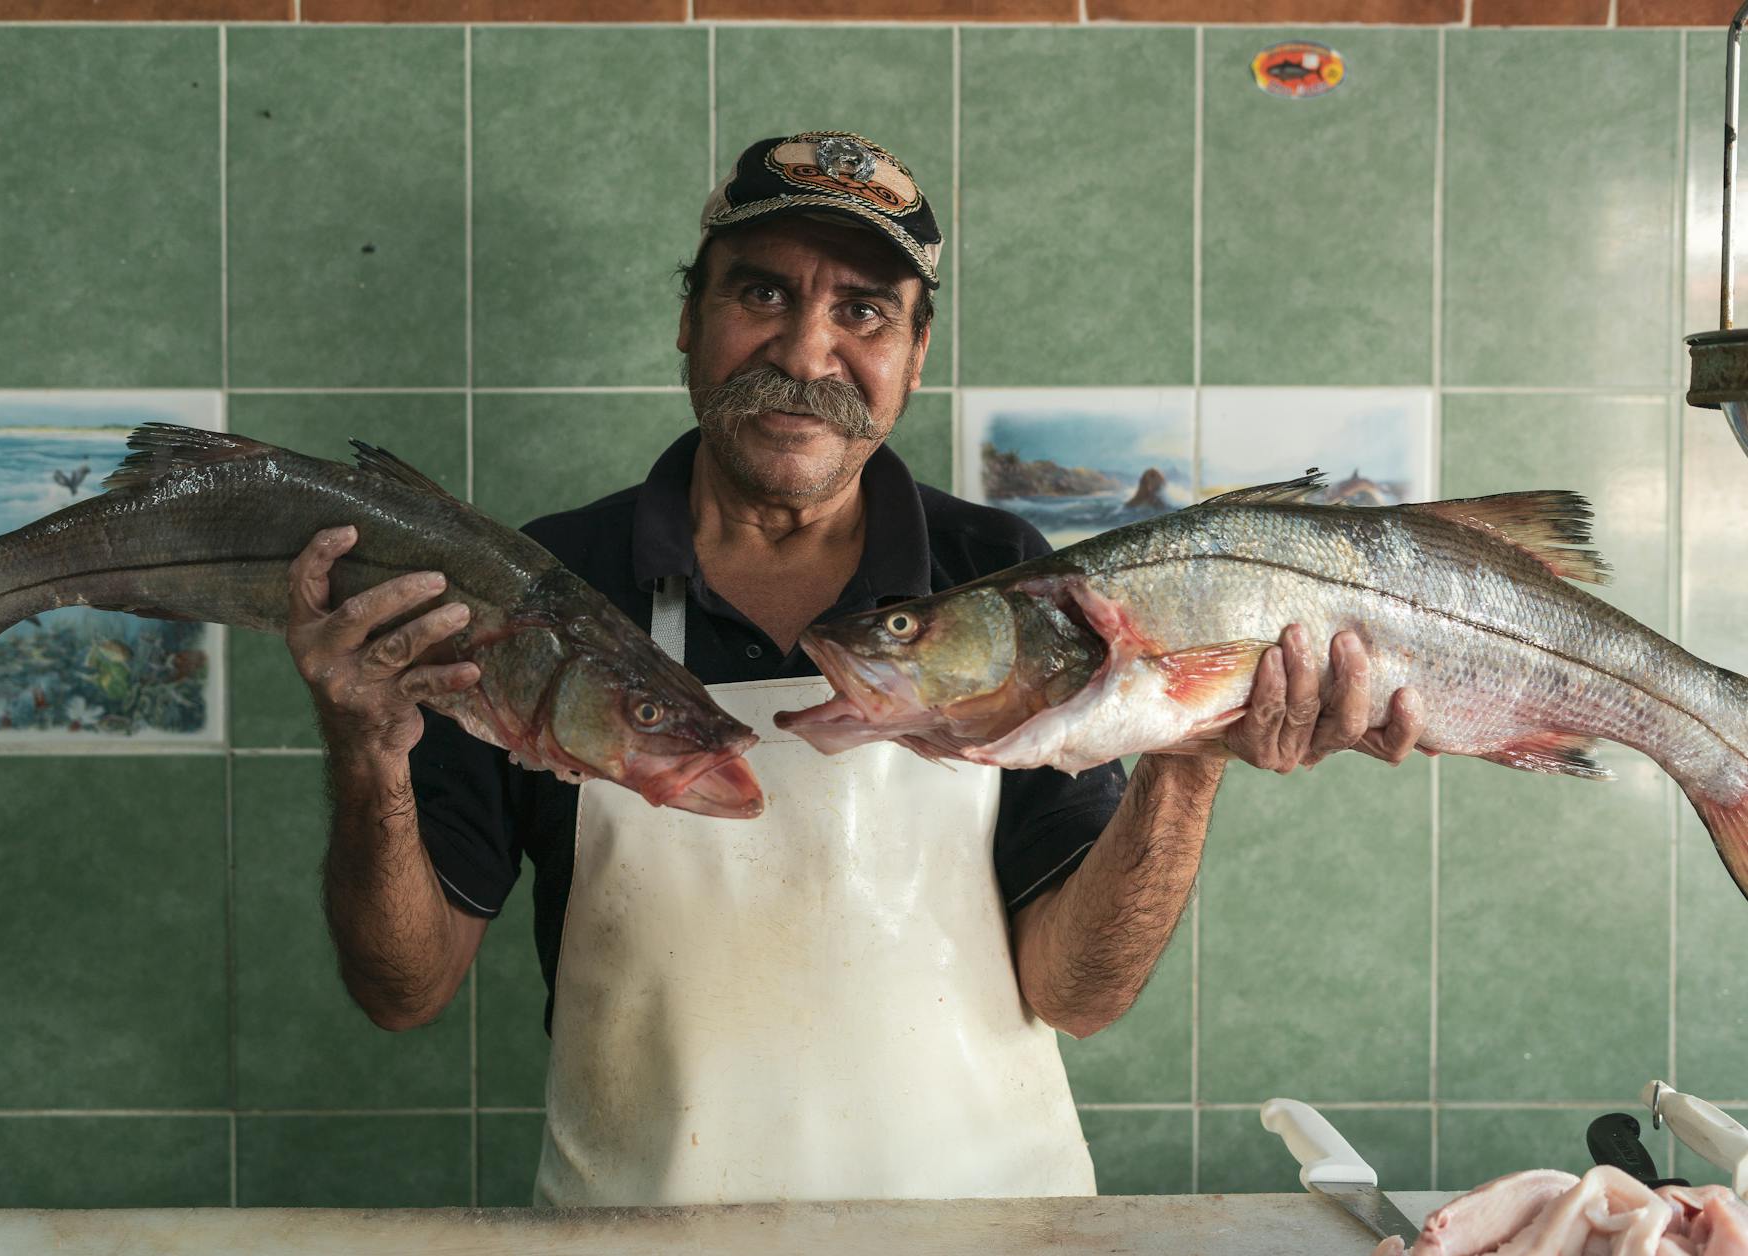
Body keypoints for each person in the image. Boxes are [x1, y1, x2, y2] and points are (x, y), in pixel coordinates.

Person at [285, 131, 1426, 1206]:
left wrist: (1185, 760)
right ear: (688, 316)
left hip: (985, 1228)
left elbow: (1075, 994)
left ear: (913, 353)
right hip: (642, 1227)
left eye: (863, 309)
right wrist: (366, 754)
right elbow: (405, 987)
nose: (804, 349)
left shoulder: (1002, 575)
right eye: (761, 291)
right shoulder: (547, 587)